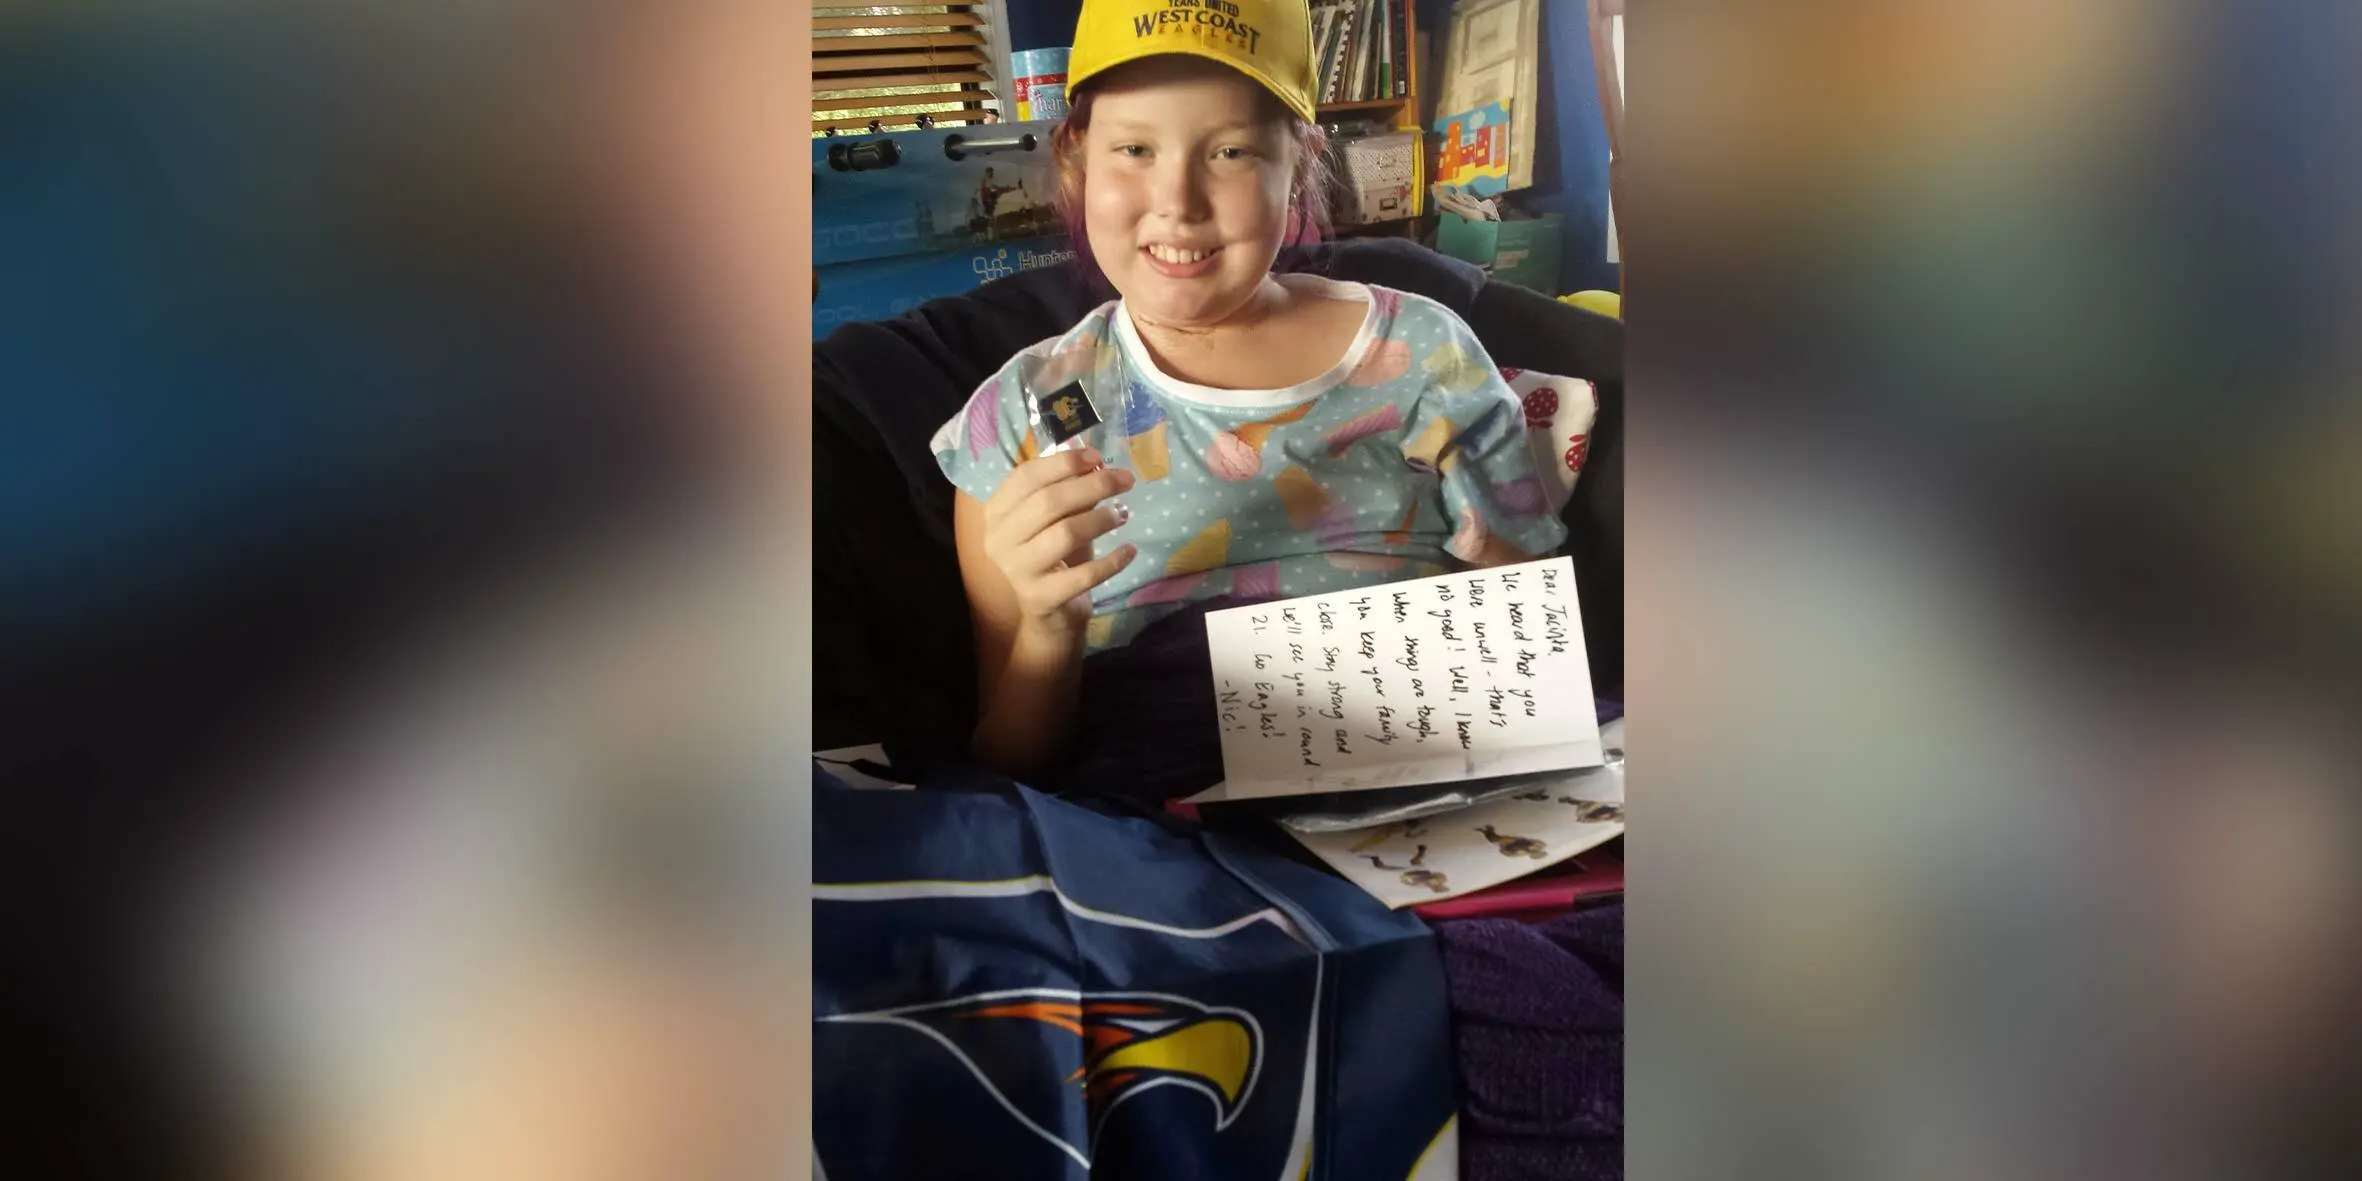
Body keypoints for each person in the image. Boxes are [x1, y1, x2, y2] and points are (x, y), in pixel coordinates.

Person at [930, 0, 1564, 786]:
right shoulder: (1021, 416)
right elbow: (1009, 763)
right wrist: (1048, 628)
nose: (1179, 201)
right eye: (1133, 148)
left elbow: (1531, 641)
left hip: (1424, 783)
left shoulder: (1427, 353)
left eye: (1230, 152)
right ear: (1078, 159)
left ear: (1298, 165)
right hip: (1157, 822)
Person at [974, 166, 1021, 239]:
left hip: (989, 204)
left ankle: (991, 236)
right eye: (990, 172)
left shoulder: (988, 183)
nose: (992, 174)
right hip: (987, 204)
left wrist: (1009, 189)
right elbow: (990, 192)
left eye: (992, 172)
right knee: (991, 220)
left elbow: (995, 190)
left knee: (992, 219)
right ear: (987, 173)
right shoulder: (986, 182)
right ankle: (989, 237)